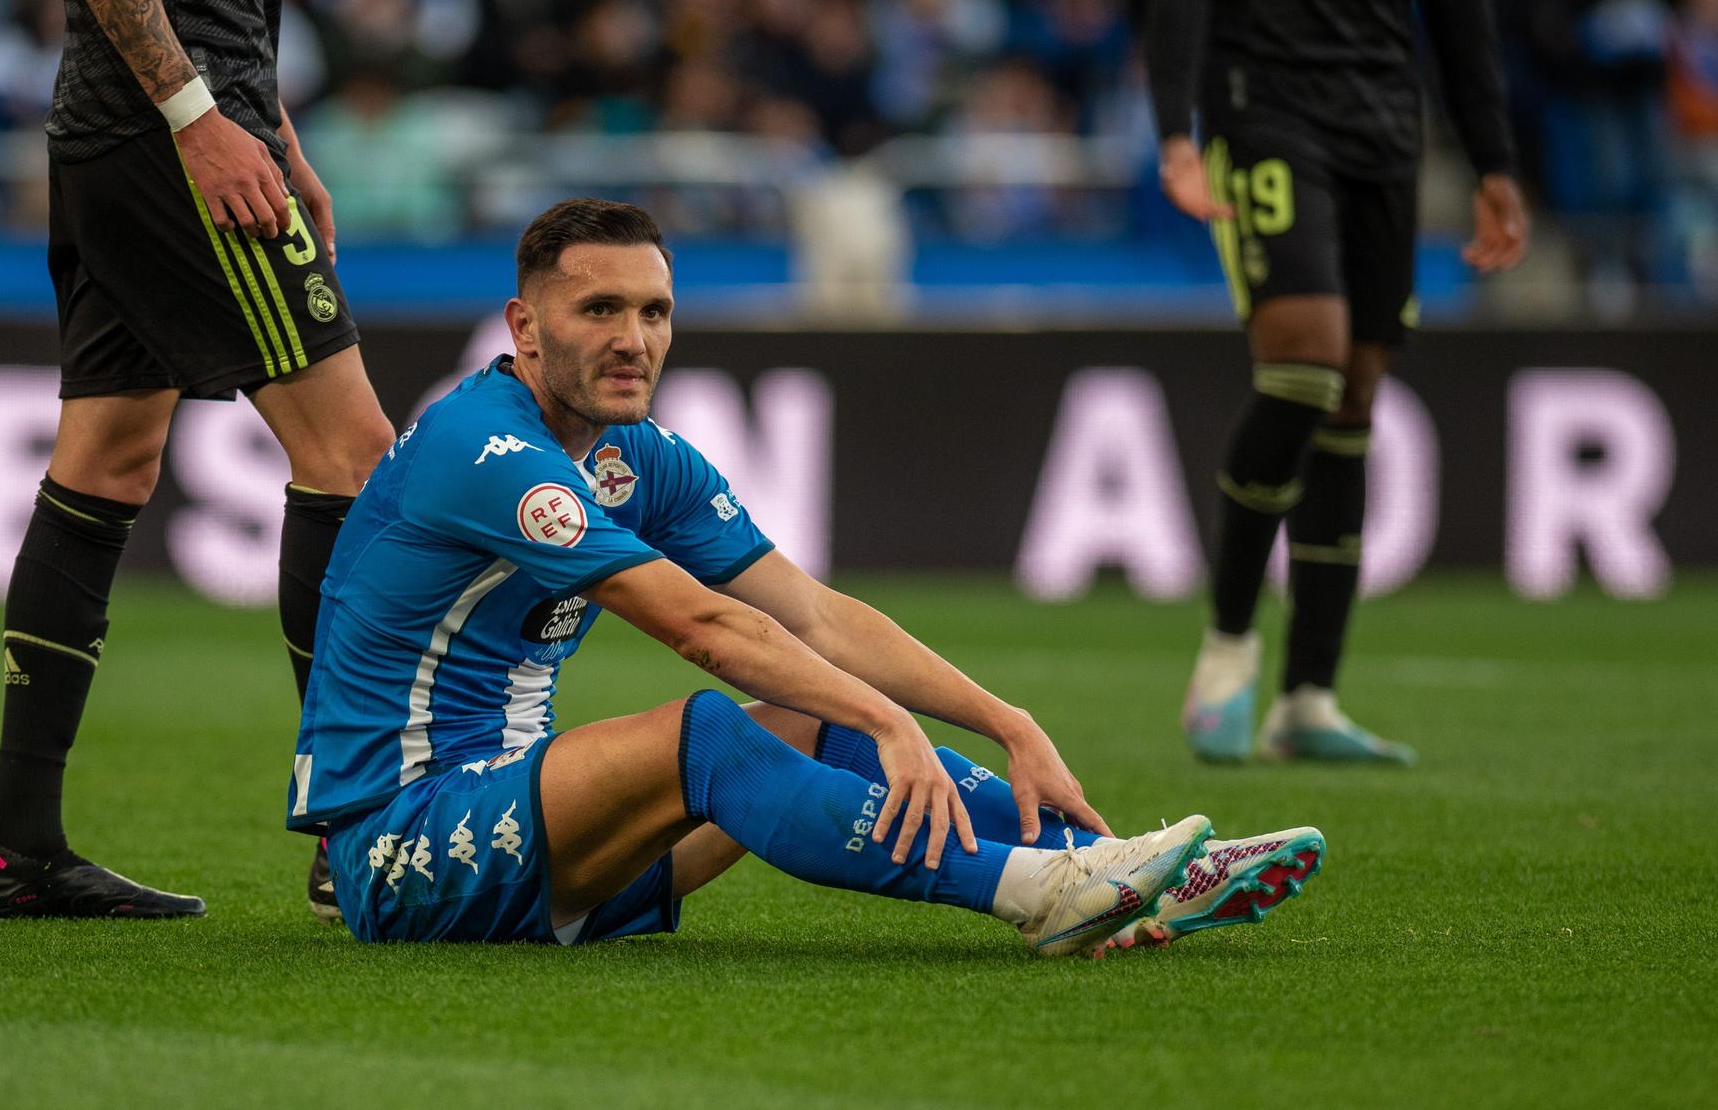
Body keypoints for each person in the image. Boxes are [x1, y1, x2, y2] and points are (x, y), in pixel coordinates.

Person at [290, 198, 1323, 955]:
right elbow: (699, 625)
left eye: (653, 311)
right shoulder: (481, 446)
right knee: (709, 727)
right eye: (598, 310)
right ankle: (1035, 890)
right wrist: (887, 721)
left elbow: (814, 617)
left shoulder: (638, 455)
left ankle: (1126, 867)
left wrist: (1004, 721)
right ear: (524, 328)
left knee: (802, 716)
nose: (632, 340)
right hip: (401, 851)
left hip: (541, 841)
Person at [0, 0, 395, 921]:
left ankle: (18, 852)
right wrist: (200, 118)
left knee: (107, 457)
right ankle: (351, 829)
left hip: (169, 119)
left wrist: (272, 125)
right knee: (352, 454)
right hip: (166, 133)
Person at [1144, 0, 1531, 765]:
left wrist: (1489, 156)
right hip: (1260, 104)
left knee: (1354, 395)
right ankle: (1227, 644)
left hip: (1382, 123)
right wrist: (1174, 134)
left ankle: (1306, 697)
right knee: (1304, 367)